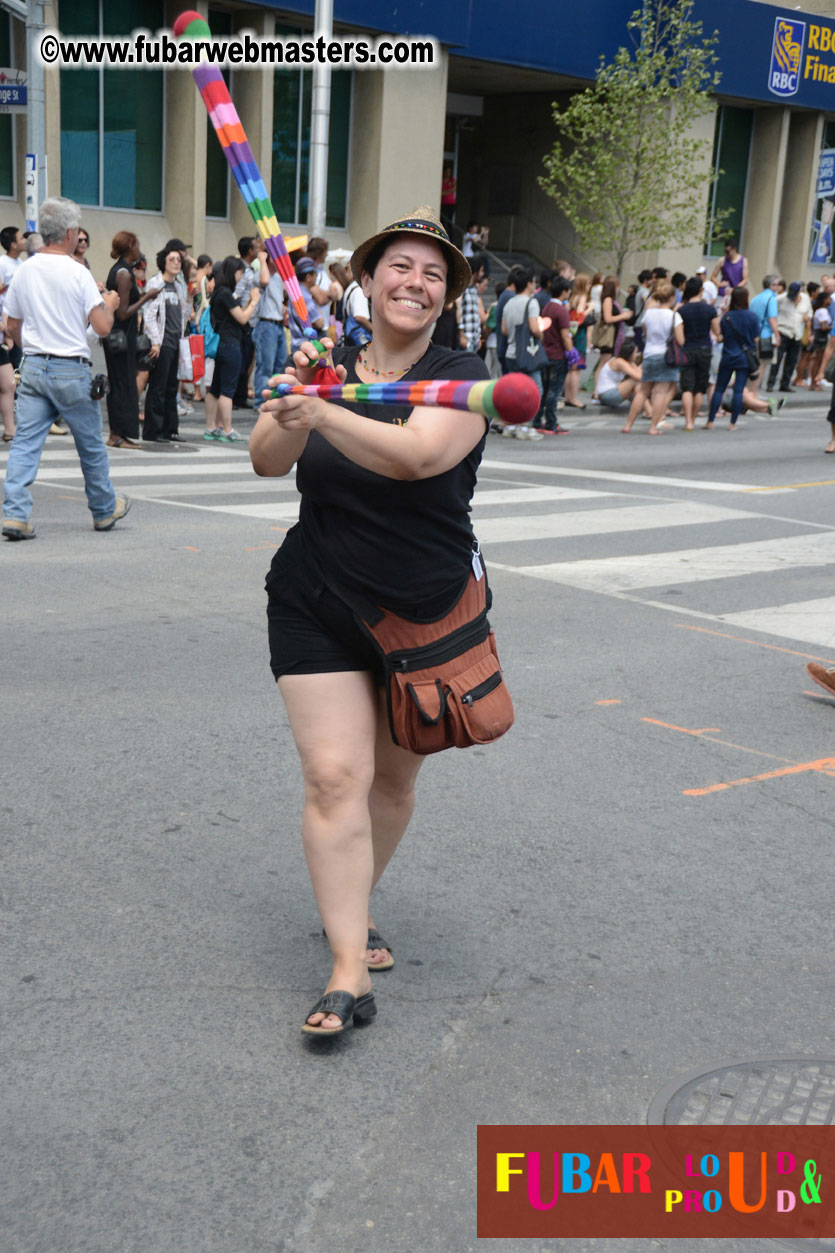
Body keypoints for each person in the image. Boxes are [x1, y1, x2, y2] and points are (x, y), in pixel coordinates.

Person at [251, 205, 491, 1037]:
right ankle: (347, 965)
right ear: (367, 277)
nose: (415, 283)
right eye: (401, 266)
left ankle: (355, 901)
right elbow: (265, 458)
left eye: (433, 274)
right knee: (333, 777)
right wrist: (292, 408)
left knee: (391, 783)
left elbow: (418, 454)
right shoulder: (325, 361)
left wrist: (323, 412)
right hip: (314, 596)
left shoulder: (462, 375)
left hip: (419, 610)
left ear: (445, 296)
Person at [1, 196, 129, 539]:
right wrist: (111, 304)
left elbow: (10, 323)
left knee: (26, 442)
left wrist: (31, 348)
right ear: (71, 233)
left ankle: (15, 514)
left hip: (34, 366)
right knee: (89, 444)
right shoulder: (78, 272)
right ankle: (103, 509)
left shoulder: (25, 270)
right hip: (71, 368)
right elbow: (102, 327)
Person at [102, 231, 158, 449]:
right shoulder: (124, 274)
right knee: (122, 384)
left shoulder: (117, 270)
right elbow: (123, 312)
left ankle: (120, 433)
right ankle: (117, 434)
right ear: (131, 246)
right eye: (137, 245)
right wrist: (147, 296)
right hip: (121, 337)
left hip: (118, 337)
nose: (139, 250)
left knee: (121, 383)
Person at [204, 256, 260, 442]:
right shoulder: (226, 294)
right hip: (230, 345)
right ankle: (227, 429)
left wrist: (247, 304)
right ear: (232, 272)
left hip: (221, 344)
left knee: (215, 388)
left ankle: (211, 427)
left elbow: (237, 314)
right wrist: (254, 302)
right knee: (228, 390)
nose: (241, 277)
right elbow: (243, 319)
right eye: (240, 273)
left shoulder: (219, 293)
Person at [142, 244, 192, 443]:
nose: (176, 263)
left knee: (172, 388)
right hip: (162, 343)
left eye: (179, 260)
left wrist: (189, 297)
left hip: (175, 342)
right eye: (172, 260)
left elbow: (184, 316)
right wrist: (155, 342)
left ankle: (170, 429)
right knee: (158, 387)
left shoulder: (178, 286)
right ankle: (153, 430)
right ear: (163, 262)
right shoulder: (156, 283)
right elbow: (149, 314)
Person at [620, 280, 684, 434]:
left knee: (643, 391)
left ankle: (628, 425)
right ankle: (653, 427)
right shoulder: (674, 316)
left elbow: (646, 334)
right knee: (660, 392)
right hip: (665, 355)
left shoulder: (648, 314)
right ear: (671, 298)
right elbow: (681, 340)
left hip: (649, 354)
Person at [705, 286, 760, 430]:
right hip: (744, 358)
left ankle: (710, 421)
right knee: (738, 390)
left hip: (728, 355)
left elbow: (721, 337)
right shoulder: (752, 317)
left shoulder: (727, 317)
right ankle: (732, 423)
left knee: (719, 389)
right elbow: (756, 339)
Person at [501, 266, 545, 441]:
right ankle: (526, 427)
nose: (535, 285)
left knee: (514, 391)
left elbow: (504, 330)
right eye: (534, 282)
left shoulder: (509, 302)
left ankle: (510, 425)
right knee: (535, 390)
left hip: (511, 353)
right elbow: (534, 328)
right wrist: (541, 334)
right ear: (528, 284)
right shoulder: (531, 302)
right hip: (527, 354)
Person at [678, 276, 720, 430]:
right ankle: (694, 420)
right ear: (701, 290)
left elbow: (679, 334)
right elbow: (717, 332)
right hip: (704, 349)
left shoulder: (682, 310)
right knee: (699, 388)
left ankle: (687, 421)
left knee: (687, 387)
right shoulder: (709, 309)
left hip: (688, 348)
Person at [252, 252, 286, 410]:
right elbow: (264, 280)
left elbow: (281, 299)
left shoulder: (278, 277)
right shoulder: (260, 274)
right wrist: (261, 258)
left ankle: (273, 400)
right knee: (265, 366)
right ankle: (261, 402)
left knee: (280, 365)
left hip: (278, 324)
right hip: (266, 324)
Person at [540, 276, 573, 433]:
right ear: (564, 291)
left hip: (545, 353)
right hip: (558, 354)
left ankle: (537, 420)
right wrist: (571, 352)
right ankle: (551, 423)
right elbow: (565, 335)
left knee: (545, 389)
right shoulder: (561, 310)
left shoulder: (546, 307)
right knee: (554, 390)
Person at [233, 236, 261, 408]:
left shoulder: (249, 269)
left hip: (250, 321)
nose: (258, 250)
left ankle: (241, 396)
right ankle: (236, 396)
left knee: (247, 360)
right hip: (244, 320)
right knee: (241, 361)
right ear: (250, 251)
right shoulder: (242, 271)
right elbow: (237, 294)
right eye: (256, 248)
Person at [592, 275, 633, 395]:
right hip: (608, 336)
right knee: (603, 364)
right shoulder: (608, 300)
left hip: (614, 334)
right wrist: (623, 316)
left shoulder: (611, 300)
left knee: (605, 362)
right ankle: (596, 391)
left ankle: (599, 390)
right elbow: (608, 318)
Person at [768, 282, 804, 393]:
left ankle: (785, 384)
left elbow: (809, 312)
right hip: (783, 332)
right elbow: (772, 313)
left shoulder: (805, 299)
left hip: (797, 334)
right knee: (777, 360)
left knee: (792, 361)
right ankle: (771, 383)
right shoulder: (780, 299)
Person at [564, 273, 590, 409]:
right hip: (579, 335)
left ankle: (568, 396)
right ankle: (573, 398)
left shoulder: (571, 297)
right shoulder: (583, 297)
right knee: (576, 368)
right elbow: (579, 316)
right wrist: (589, 309)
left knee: (570, 367)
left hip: (570, 333)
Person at [289, 257, 325, 353]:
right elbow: (320, 323)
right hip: (306, 346)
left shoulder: (295, 292)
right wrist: (320, 313)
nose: (316, 277)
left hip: (296, 345)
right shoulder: (305, 296)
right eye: (315, 274)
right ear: (308, 277)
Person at [749, 275, 780, 386]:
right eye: (776, 284)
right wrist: (777, 335)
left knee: (753, 364)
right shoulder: (772, 299)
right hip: (765, 335)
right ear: (771, 285)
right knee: (761, 365)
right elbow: (772, 319)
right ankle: (753, 392)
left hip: (753, 334)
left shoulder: (756, 298)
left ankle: (748, 390)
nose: (778, 287)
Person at [596, 339, 644, 410]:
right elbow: (639, 377)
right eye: (635, 352)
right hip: (606, 395)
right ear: (630, 353)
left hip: (611, 393)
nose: (637, 355)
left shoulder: (629, 362)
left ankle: (647, 409)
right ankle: (648, 410)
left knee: (639, 385)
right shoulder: (619, 362)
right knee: (634, 382)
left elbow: (639, 374)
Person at [457, 257, 484, 354]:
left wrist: (479, 337)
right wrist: (461, 335)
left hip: (474, 339)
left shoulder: (474, 289)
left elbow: (475, 315)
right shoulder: (462, 288)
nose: (482, 274)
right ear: (476, 271)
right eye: (481, 271)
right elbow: (459, 313)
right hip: (465, 339)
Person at [440, 165, 456, 234]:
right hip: (443, 203)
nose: (448, 173)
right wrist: (449, 191)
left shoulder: (452, 180)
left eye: (449, 172)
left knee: (450, 222)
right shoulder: (442, 181)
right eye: (447, 171)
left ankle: (450, 238)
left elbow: (454, 189)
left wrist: (446, 191)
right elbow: (441, 193)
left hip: (451, 204)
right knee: (442, 221)